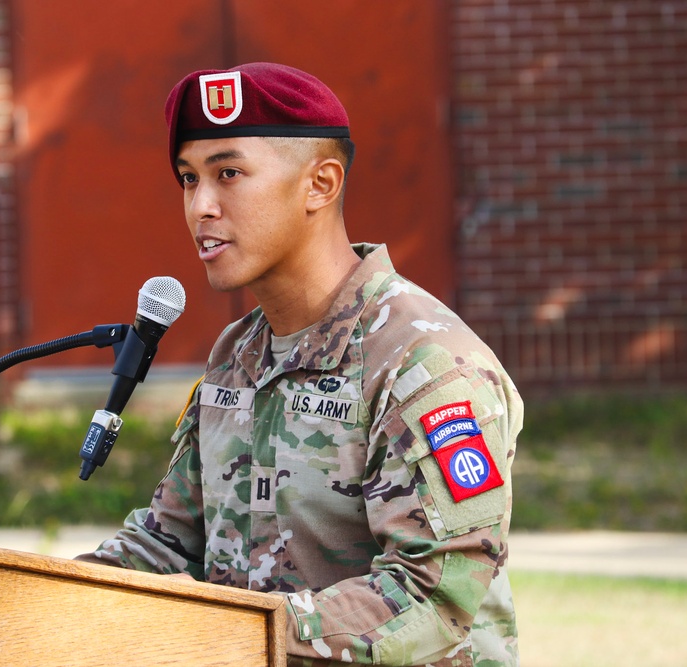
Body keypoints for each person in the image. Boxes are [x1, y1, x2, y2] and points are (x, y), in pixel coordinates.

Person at [76, 62, 522, 666]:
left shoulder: (425, 363)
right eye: (187, 178)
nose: (200, 205)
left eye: (228, 173)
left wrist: (229, 636)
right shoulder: (239, 351)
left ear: (321, 183)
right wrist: (33, 600)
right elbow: (169, 540)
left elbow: (433, 593)